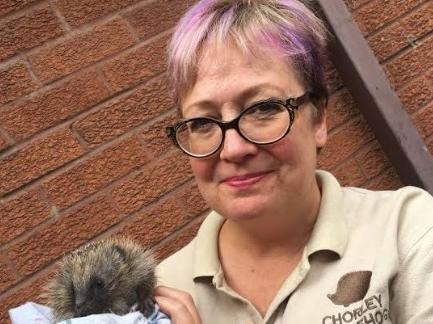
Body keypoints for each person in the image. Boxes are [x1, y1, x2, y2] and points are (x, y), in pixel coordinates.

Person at [153, 1, 433, 323]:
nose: (232, 149)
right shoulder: (157, 297)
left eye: (262, 108)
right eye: (202, 123)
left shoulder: (407, 228)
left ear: (318, 120)